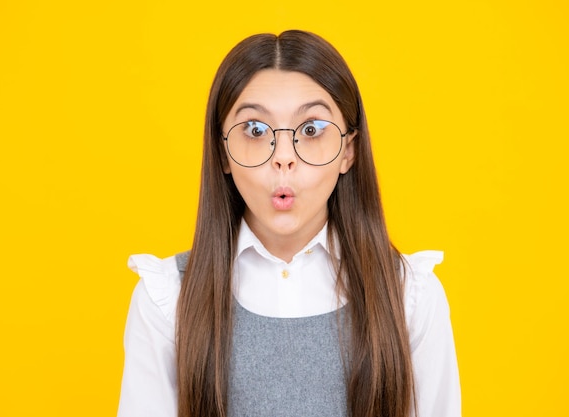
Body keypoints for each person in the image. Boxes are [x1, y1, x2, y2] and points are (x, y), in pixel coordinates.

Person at [118, 30, 461, 417]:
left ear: (348, 151)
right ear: (223, 153)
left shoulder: (410, 296)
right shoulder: (167, 299)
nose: (283, 157)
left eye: (311, 130)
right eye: (255, 130)